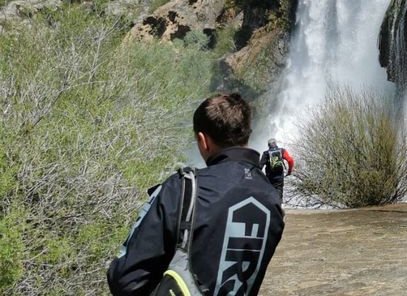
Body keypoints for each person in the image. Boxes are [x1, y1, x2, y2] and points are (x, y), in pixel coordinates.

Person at [107, 93, 285, 296]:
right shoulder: (271, 200)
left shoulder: (182, 188)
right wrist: (274, 182)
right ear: (246, 134)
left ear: (202, 140)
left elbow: (124, 279)